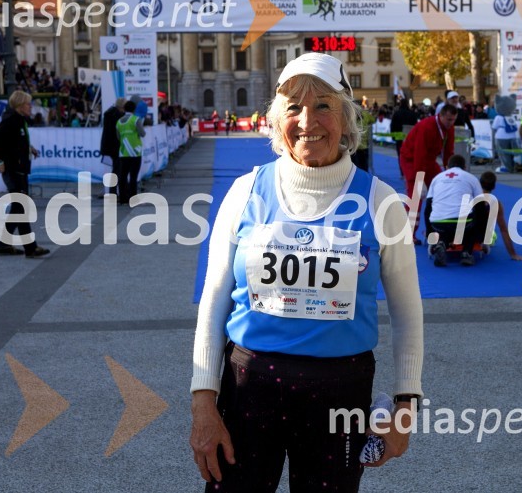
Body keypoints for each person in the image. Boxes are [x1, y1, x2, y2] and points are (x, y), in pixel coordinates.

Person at [190, 52, 423, 492]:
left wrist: (406, 406)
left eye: (323, 106)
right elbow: (215, 299)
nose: (307, 121)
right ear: (277, 119)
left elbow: (407, 313)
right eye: (293, 107)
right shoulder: (244, 191)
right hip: (249, 385)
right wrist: (203, 402)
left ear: (347, 119)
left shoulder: (381, 201)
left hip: (341, 390)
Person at [0, 91, 50, 258]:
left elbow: (15, 141)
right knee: (21, 207)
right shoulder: (11, 121)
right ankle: (30, 248)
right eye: (28, 104)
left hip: (20, 169)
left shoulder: (20, 120)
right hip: (14, 170)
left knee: (18, 207)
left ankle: (4, 245)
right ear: (20, 105)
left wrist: (29, 148)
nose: (31, 107)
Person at [399, 104, 458, 244]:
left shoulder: (449, 128)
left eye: (453, 120)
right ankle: (408, 233)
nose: (451, 123)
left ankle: (435, 229)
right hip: (411, 159)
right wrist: (420, 181)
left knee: (442, 190)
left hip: (429, 160)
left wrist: (451, 173)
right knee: (416, 197)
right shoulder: (426, 127)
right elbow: (419, 154)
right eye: (449, 119)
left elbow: (448, 153)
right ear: (441, 116)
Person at [425, 154, 488, 267]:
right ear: (464, 167)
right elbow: (481, 208)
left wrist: (430, 234)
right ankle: (466, 252)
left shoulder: (437, 178)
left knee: (446, 226)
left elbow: (428, 208)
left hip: (438, 223)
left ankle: (442, 243)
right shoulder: (471, 178)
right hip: (462, 223)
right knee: (475, 218)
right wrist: (482, 236)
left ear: (446, 167)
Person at [478, 172, 522, 261]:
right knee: (492, 235)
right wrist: (513, 254)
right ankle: (485, 240)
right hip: (481, 233)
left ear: (479, 183)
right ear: (494, 187)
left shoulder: (470, 196)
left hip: (466, 230)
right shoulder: (495, 203)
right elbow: (503, 230)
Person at [116, 100, 146, 204]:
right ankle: (133, 198)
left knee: (123, 176)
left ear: (124, 109)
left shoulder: (119, 122)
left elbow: (118, 137)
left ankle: (123, 198)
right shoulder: (136, 120)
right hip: (135, 152)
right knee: (133, 176)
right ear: (134, 109)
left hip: (123, 152)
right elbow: (142, 134)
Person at [101, 98, 124, 196]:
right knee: (117, 169)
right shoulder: (117, 116)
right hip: (115, 146)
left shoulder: (109, 114)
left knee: (116, 169)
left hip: (109, 145)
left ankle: (113, 191)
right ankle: (113, 192)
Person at [491, 93, 519, 173]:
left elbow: (494, 128)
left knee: (503, 152)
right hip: (512, 136)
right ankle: (512, 166)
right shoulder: (511, 117)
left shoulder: (498, 117)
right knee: (511, 153)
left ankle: (506, 167)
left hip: (501, 137)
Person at [390, 97, 417, 166]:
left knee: (400, 154)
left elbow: (393, 125)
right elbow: (416, 125)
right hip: (410, 136)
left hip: (399, 136)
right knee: (411, 154)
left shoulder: (397, 114)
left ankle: (402, 169)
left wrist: (393, 136)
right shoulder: (412, 114)